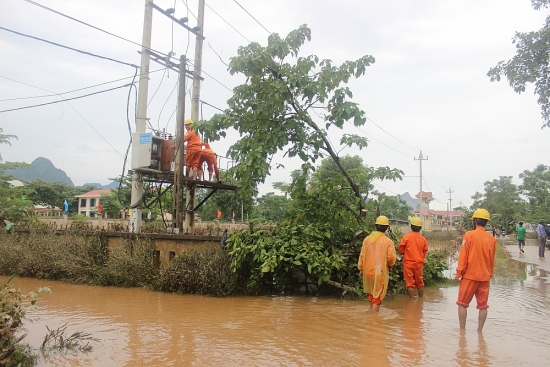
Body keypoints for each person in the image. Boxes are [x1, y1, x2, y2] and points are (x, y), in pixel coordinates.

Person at [454, 208, 496, 332]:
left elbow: (463, 257)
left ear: (475, 221)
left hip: (469, 276)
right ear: (486, 222)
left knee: (462, 303)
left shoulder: (469, 235)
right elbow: (492, 260)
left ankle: (462, 332)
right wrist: (490, 274)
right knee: (483, 306)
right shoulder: (492, 239)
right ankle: (479, 333)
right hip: (485, 277)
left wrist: (458, 273)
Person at [357, 215, 397, 312]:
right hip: (379, 272)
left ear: (376, 226)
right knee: (377, 296)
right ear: (387, 228)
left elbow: (362, 255)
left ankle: (371, 314)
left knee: (371, 293)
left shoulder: (367, 239)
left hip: (367, 271)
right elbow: (391, 258)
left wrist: (361, 269)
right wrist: (390, 266)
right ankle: (374, 320)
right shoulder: (388, 242)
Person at [398, 217, 429, 298]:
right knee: (420, 283)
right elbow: (424, 251)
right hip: (419, 264)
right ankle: (420, 300)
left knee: (410, 284)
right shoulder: (423, 239)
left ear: (411, 227)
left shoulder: (406, 237)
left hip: (408, 264)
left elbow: (401, 249)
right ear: (420, 228)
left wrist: (404, 253)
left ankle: (411, 301)